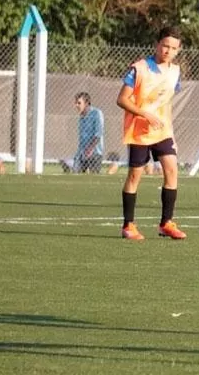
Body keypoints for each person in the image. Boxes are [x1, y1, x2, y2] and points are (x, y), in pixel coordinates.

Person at [116, 26, 186, 241]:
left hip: (162, 130)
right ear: (157, 44)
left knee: (172, 171)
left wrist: (169, 129)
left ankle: (166, 223)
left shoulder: (175, 72)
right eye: (164, 45)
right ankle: (128, 225)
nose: (167, 50)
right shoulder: (139, 69)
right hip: (139, 131)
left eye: (173, 47)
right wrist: (145, 114)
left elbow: (165, 102)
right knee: (135, 176)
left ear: (178, 50)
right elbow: (122, 99)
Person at [65, 92, 104, 174]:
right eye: (75, 103)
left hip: (95, 154)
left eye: (79, 103)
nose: (76, 105)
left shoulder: (96, 113)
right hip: (82, 153)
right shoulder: (81, 117)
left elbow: (98, 134)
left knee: (93, 178)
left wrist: (90, 149)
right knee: (75, 174)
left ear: (86, 103)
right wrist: (81, 152)